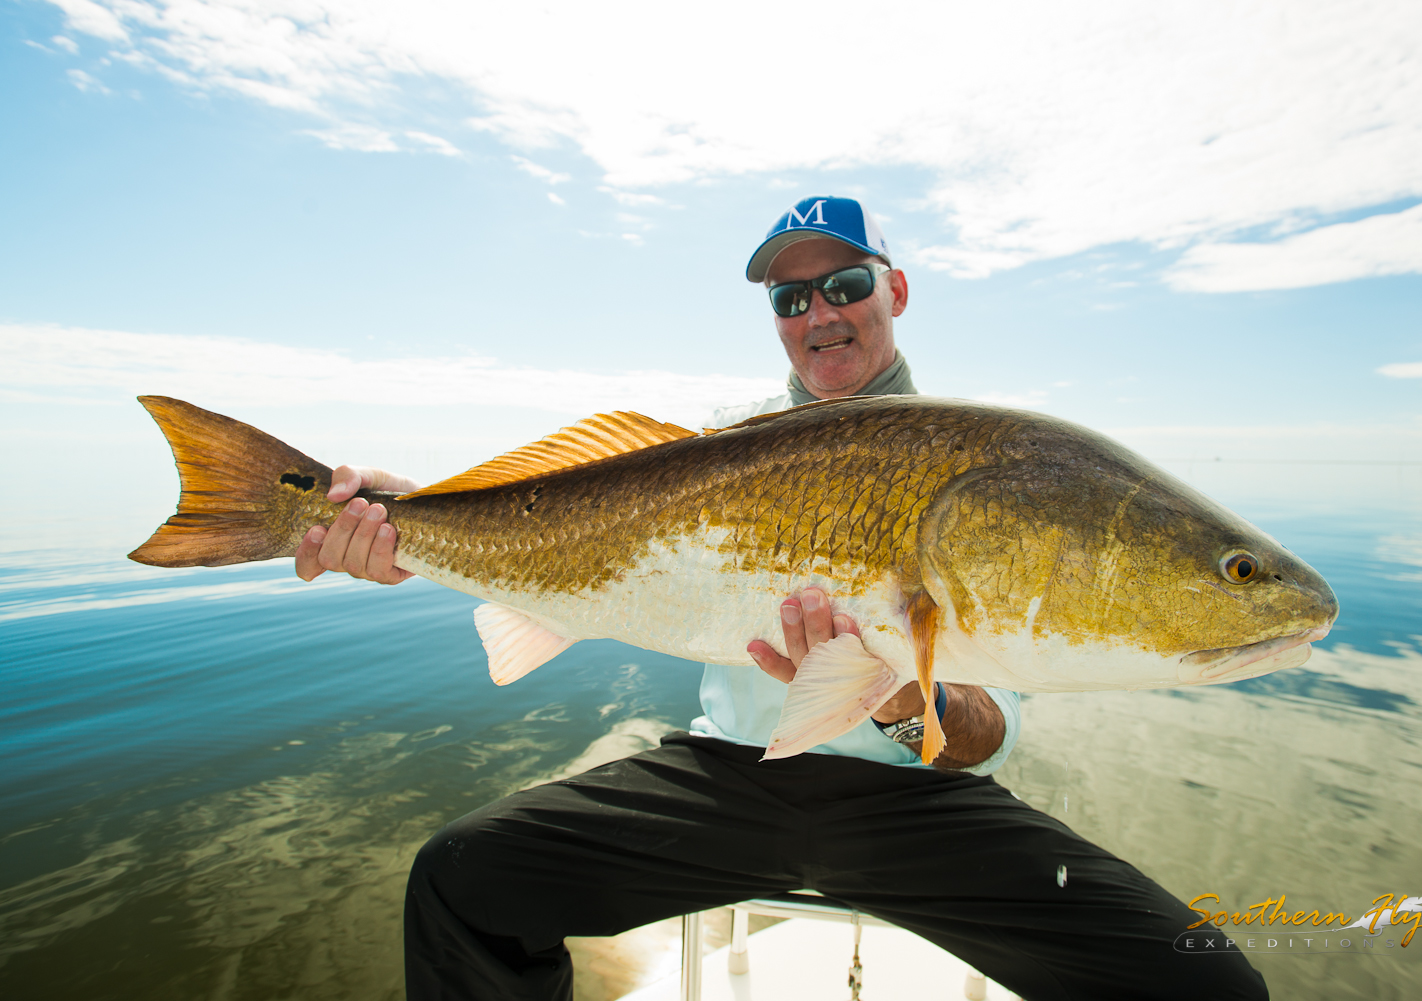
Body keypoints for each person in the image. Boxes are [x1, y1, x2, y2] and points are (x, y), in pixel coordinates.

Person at [295, 197, 1268, 1000]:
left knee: (1211, 990)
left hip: (918, 803)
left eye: (845, 285)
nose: (820, 312)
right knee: (463, 879)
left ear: (894, 289)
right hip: (725, 779)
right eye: (790, 296)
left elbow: (980, 735)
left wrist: (893, 692)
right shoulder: (714, 443)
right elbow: (560, 515)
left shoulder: (994, 469)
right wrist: (403, 517)